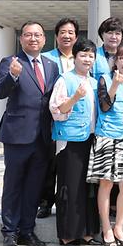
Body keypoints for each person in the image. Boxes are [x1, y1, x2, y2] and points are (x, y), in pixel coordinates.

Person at [0, 21, 59, 246]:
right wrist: (12, 76)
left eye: (38, 35)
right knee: (13, 185)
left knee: (34, 186)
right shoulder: (11, 62)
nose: (34, 39)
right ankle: (9, 232)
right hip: (17, 135)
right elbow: (0, 92)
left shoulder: (51, 66)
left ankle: (27, 230)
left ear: (44, 40)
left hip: (43, 137)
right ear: (21, 39)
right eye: (29, 35)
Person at [87, 44, 123, 246]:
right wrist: (115, 86)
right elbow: (104, 106)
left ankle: (119, 226)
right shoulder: (105, 79)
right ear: (116, 60)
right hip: (106, 137)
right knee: (106, 183)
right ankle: (106, 228)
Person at [49, 38, 100, 246]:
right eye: (83, 55)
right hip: (69, 140)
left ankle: (88, 232)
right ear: (75, 57)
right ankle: (68, 234)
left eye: (91, 56)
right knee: (70, 187)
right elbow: (56, 110)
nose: (87, 59)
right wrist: (75, 97)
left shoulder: (95, 82)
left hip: (91, 139)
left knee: (89, 187)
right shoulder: (65, 79)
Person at [36, 17, 79, 220]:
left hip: (76, 120)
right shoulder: (46, 58)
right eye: (63, 32)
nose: (67, 35)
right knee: (49, 162)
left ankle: (66, 201)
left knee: (69, 163)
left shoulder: (82, 58)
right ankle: (45, 202)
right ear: (56, 36)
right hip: (51, 118)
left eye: (71, 32)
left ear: (76, 37)